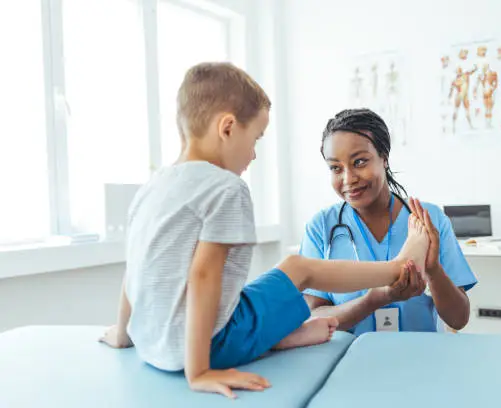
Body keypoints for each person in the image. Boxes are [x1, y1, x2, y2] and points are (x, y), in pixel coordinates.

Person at [98, 62, 432, 399]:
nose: (254, 153)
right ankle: (396, 268)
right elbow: (204, 276)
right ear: (227, 128)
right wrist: (199, 371)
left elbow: (135, 267)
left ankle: (284, 335)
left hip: (151, 344)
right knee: (298, 268)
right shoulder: (224, 187)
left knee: (255, 290)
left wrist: (123, 332)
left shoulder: (153, 185)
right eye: (254, 138)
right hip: (203, 349)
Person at [300, 108, 477, 336]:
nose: (348, 179)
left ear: (384, 157)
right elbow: (313, 317)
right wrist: (374, 300)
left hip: (422, 360)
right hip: (350, 361)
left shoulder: (427, 220)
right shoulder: (321, 227)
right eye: (336, 168)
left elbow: (459, 319)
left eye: (360, 162)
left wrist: (433, 271)